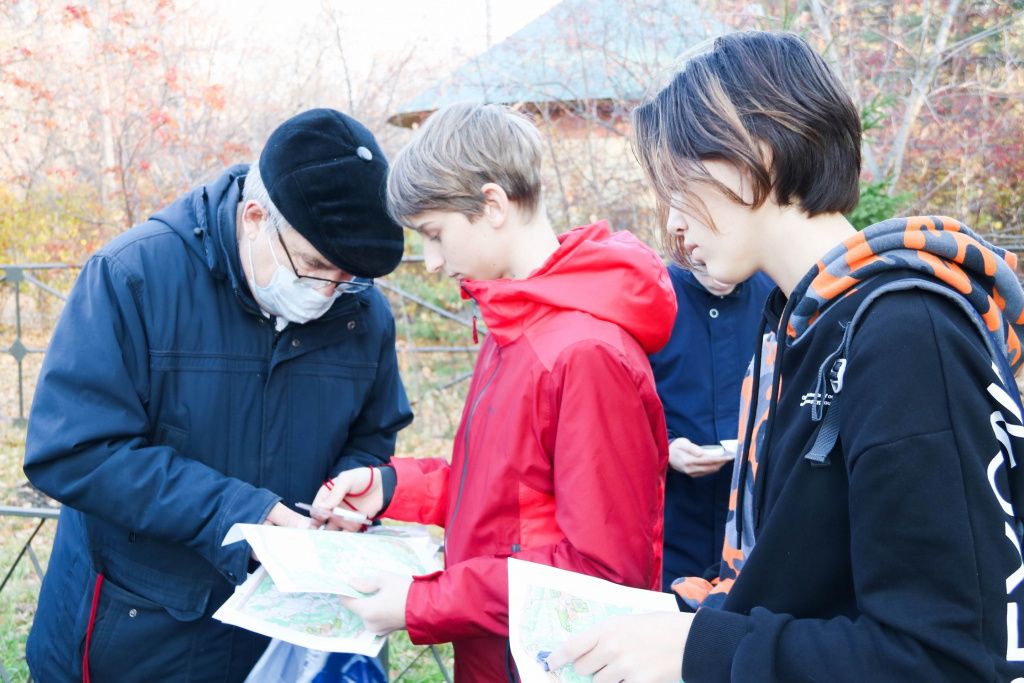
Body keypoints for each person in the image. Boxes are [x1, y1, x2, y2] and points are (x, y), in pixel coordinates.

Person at [547, 31, 1024, 682]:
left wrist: (700, 651)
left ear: (752, 158)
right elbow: (805, 585)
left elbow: (945, 659)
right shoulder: (800, 333)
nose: (673, 226)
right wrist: (682, 617)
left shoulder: (908, 334)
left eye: (680, 189)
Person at [22, 108, 413, 682]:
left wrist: (350, 489)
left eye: (347, 277)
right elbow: (74, 451)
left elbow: (373, 433)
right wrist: (242, 514)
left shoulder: (362, 308)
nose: (329, 292)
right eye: (313, 267)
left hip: (287, 633)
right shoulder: (133, 276)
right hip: (139, 630)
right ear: (255, 218)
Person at [309, 102, 678, 681]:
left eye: (435, 235)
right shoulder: (512, 321)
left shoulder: (584, 353)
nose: (431, 262)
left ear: (493, 205)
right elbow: (501, 491)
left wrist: (421, 602)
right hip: (491, 653)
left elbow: (601, 572)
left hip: (544, 664)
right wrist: (389, 487)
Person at [648, 265, 771, 590]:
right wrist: (666, 446)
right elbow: (625, 401)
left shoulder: (774, 291)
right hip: (673, 523)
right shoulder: (653, 294)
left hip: (752, 526)